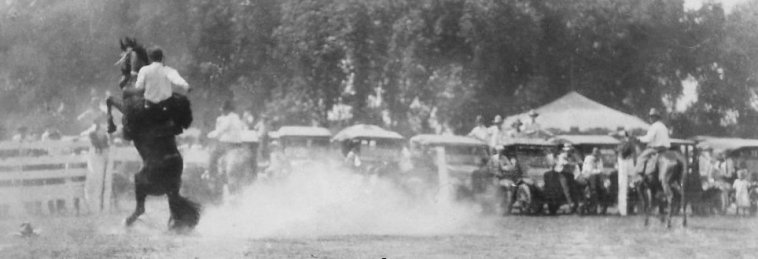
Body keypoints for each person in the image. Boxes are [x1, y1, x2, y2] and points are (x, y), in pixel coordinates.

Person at [207, 101, 246, 177]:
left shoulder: (228, 118)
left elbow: (221, 130)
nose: (222, 112)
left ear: (227, 110)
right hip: (238, 144)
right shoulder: (237, 118)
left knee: (213, 156)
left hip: (227, 144)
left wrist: (211, 134)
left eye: (223, 110)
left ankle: (212, 175)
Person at [635, 108, 671, 177]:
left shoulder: (654, 126)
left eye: (652, 116)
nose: (650, 118)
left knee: (641, 157)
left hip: (657, 149)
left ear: (655, 117)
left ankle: (640, 175)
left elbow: (648, 138)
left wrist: (639, 139)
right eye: (650, 116)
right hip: (666, 149)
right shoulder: (663, 126)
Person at [616, 129, 635, 216]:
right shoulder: (630, 143)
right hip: (627, 163)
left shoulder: (623, 142)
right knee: (628, 185)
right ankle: (624, 210)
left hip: (624, 163)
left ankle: (623, 210)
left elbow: (620, 152)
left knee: (623, 187)